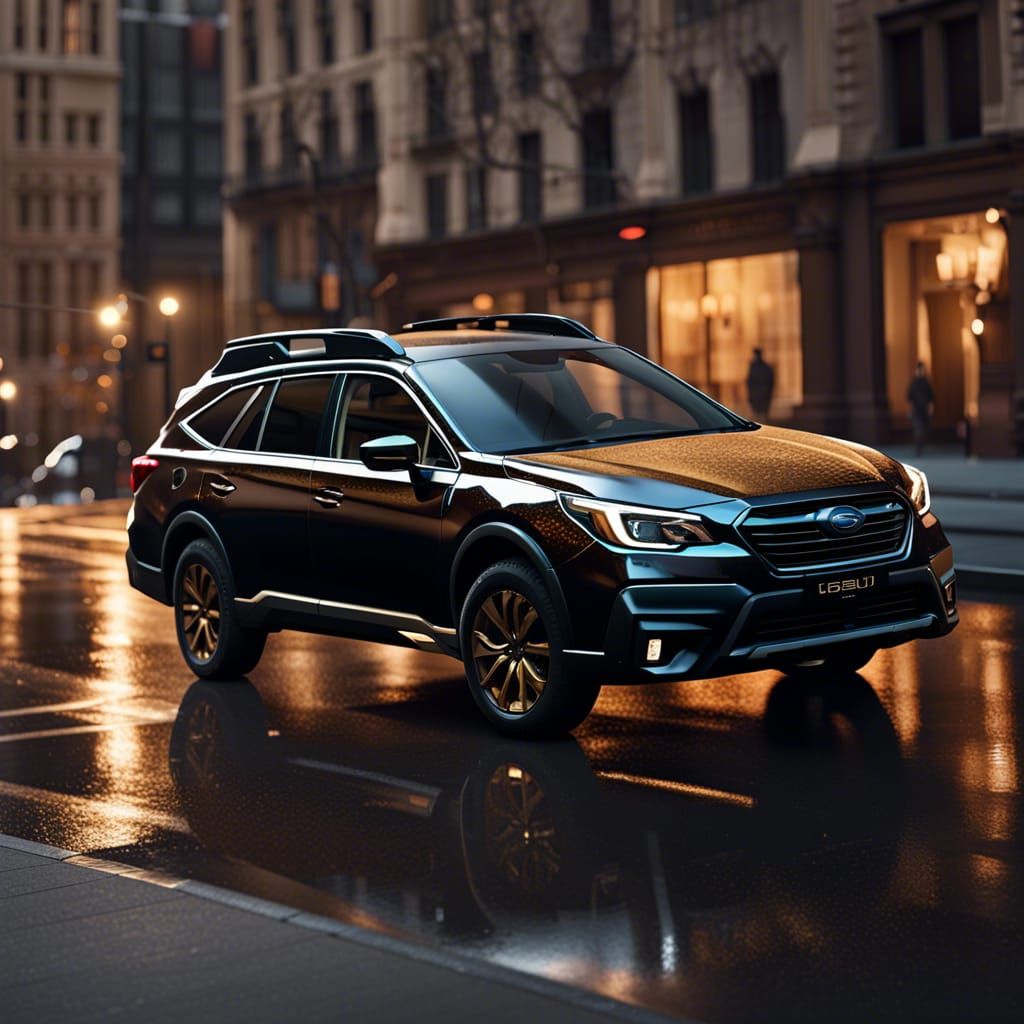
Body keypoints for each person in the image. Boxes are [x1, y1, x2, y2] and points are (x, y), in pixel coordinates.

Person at [907, 361, 934, 456]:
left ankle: (920, 446)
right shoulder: (914, 383)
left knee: (923, 429)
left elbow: (931, 397)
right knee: (918, 429)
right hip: (916, 410)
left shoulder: (926, 383)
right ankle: (918, 448)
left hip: (924, 410)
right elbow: (909, 398)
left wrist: (930, 409)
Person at [746, 348, 775, 422]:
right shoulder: (753, 367)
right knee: (757, 414)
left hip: (763, 394)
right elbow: (750, 382)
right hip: (757, 394)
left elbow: (770, 382)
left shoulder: (765, 367)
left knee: (763, 414)